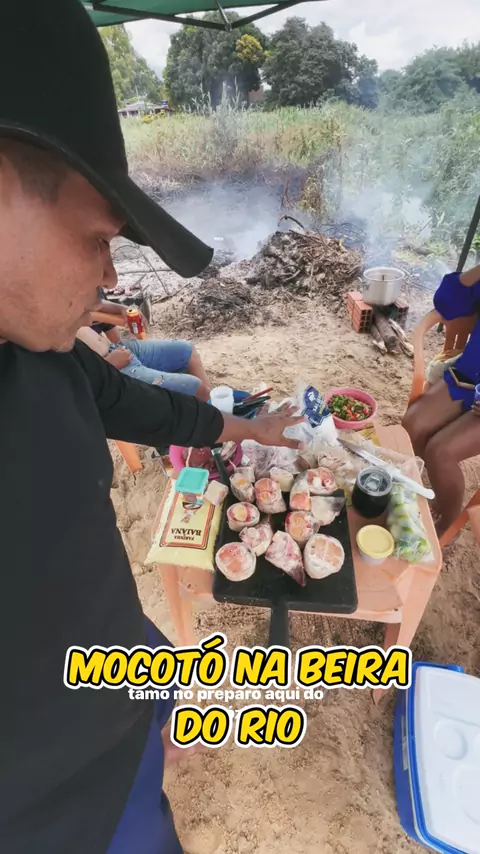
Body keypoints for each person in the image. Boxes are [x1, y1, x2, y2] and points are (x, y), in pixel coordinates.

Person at [0, 4, 306, 854]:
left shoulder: (48, 357)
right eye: (98, 237)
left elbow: (152, 409)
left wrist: (249, 426)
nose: (109, 275)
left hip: (121, 714)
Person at [402, 263, 480, 538]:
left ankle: (447, 523)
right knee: (412, 425)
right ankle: (416, 489)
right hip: (469, 377)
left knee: (440, 452)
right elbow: (446, 303)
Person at [76, 321, 212, 400]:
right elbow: (69, 380)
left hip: (116, 349)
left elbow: (96, 307)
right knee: (196, 387)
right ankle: (214, 420)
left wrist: (121, 309)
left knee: (186, 350)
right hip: (108, 368)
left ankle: (213, 405)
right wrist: (107, 364)